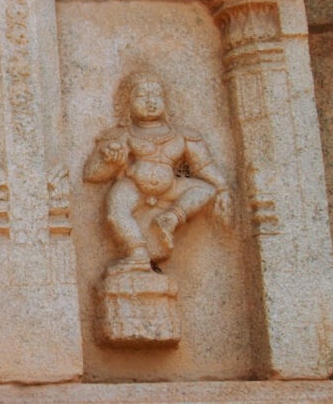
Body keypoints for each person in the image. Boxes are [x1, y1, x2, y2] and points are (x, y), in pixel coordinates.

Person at [83, 69, 232, 272]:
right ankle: (137, 253)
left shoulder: (183, 135)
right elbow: (92, 174)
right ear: (126, 103)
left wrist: (222, 188)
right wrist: (112, 162)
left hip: (170, 187)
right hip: (134, 185)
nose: (150, 101)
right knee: (117, 208)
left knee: (205, 189)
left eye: (156, 95)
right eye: (141, 96)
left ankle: (171, 217)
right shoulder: (121, 134)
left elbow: (203, 165)